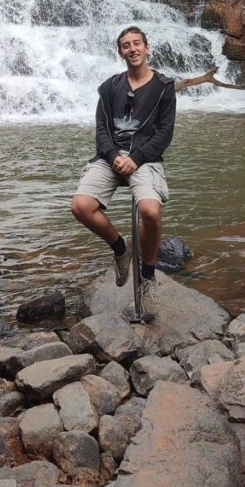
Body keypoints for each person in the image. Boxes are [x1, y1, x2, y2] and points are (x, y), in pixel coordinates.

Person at [71, 25, 176, 320]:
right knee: (80, 206)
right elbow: (101, 131)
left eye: (137, 43)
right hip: (110, 157)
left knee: (151, 213)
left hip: (145, 158)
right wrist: (115, 155)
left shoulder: (164, 88)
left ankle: (148, 276)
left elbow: (165, 134)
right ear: (120, 52)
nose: (132, 49)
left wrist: (137, 157)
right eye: (126, 45)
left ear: (147, 47)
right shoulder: (108, 88)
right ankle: (121, 248)